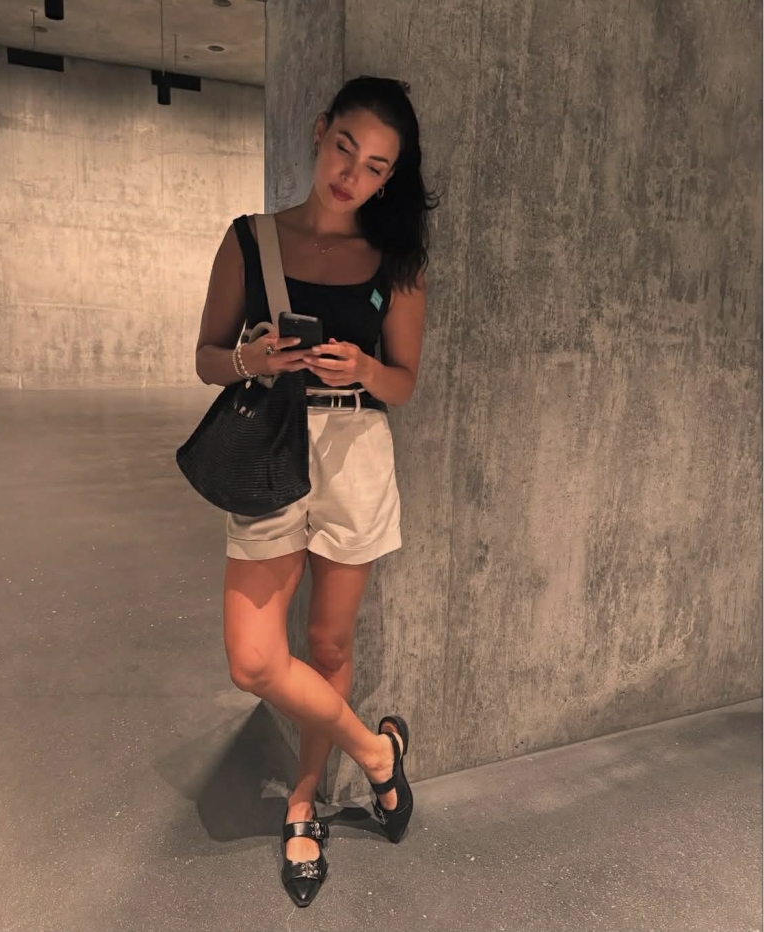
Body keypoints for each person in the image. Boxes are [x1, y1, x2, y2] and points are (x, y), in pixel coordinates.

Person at [194, 75, 436, 908]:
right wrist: (253, 359)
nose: (351, 176)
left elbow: (404, 383)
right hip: (269, 443)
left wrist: (364, 366)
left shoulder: (396, 262)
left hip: (356, 452)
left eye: (375, 168)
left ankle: (304, 803)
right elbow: (206, 358)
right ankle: (377, 754)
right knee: (255, 658)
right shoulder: (252, 239)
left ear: (390, 178)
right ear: (321, 129)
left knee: (329, 646)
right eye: (344, 149)